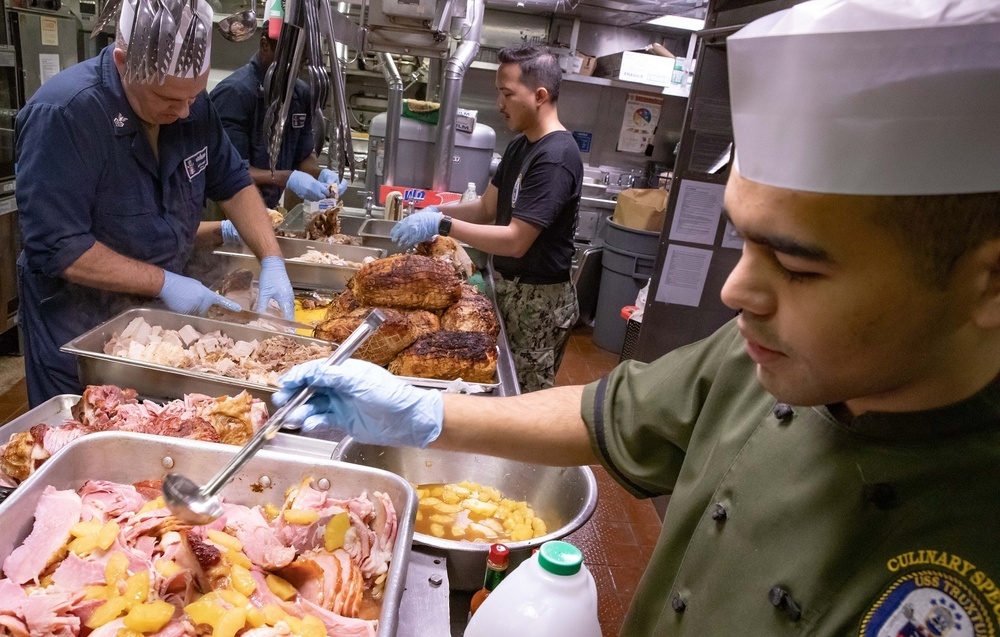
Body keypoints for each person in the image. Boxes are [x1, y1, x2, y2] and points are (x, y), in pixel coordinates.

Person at [276, 1, 1000, 634]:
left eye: (801, 267)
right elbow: (604, 412)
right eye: (744, 240)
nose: (735, 291)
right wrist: (426, 415)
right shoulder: (753, 357)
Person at [14, 0, 294, 407]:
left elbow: (232, 183)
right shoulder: (65, 114)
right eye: (168, 99)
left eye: (193, 97)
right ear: (125, 62)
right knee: (85, 437)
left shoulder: (190, 104)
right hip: (77, 329)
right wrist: (165, 282)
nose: (184, 111)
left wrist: (272, 259)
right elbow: (60, 247)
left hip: (157, 325)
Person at [390, 44, 583, 392]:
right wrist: (435, 211)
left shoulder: (556, 157)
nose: (500, 104)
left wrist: (442, 226)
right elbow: (485, 208)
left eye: (507, 94)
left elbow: (515, 241)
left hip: (538, 303)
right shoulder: (521, 145)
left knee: (523, 398)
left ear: (539, 95)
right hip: (511, 291)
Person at [209, 21, 347, 212]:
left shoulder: (300, 94)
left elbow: (304, 156)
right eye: (289, 61)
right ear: (264, 46)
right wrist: (288, 177)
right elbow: (230, 171)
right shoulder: (234, 94)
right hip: (227, 209)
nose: (295, 69)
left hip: (267, 209)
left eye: (303, 61)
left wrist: (321, 174)